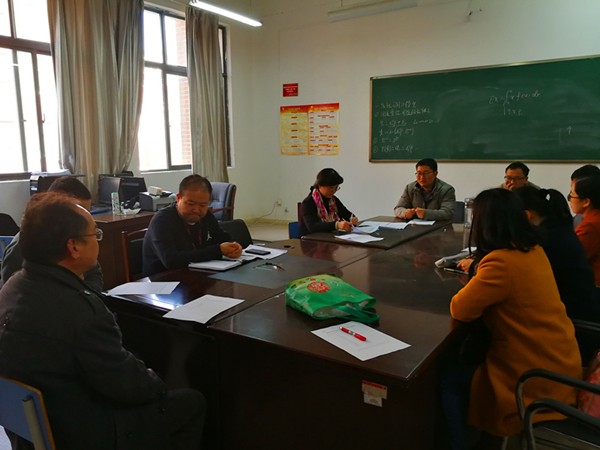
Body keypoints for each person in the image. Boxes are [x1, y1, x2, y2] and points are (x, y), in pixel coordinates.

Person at [0, 192, 206, 450]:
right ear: (74, 247)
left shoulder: (11, 288)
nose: (99, 240)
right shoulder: (81, 311)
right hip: (83, 434)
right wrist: (155, 381)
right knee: (190, 401)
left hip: (32, 431)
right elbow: (127, 385)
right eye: (95, 234)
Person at [442, 188, 581, 450]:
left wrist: (478, 269)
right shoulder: (531, 248)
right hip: (559, 360)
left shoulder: (501, 262)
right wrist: (478, 267)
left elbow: (460, 309)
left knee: (451, 380)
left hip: (532, 375)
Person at [0, 176, 103, 291]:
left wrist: (84, 293)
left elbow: (95, 274)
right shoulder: (21, 248)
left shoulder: (78, 236)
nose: (86, 219)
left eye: (87, 212)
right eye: (79, 211)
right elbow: (11, 291)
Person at [515, 186, 600, 322]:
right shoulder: (558, 228)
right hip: (582, 306)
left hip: (573, 316)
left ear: (526, 215)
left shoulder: (546, 239)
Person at [143, 174, 242, 277]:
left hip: (198, 275)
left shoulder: (206, 216)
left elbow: (224, 238)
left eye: (203, 205)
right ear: (178, 198)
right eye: (190, 204)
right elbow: (171, 260)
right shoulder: (162, 220)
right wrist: (218, 250)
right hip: (164, 279)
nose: (196, 210)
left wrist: (234, 247)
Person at [299, 168, 358, 237]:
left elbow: (347, 214)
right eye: (331, 188)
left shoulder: (333, 200)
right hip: (310, 239)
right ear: (320, 185)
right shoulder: (308, 203)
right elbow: (312, 227)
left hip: (330, 237)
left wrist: (352, 219)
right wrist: (336, 225)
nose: (333, 191)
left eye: (336, 187)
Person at [569, 174, 600, 286]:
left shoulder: (590, 227)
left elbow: (570, 258)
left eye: (572, 195)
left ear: (586, 202)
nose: (569, 200)